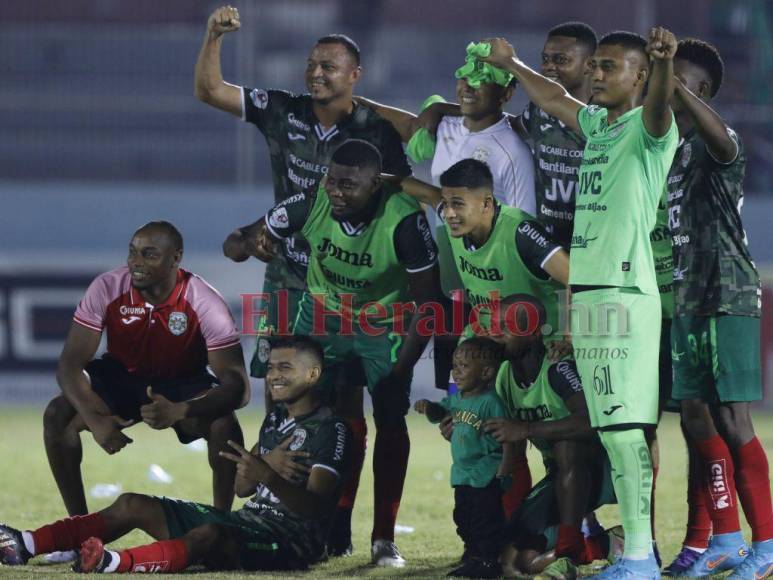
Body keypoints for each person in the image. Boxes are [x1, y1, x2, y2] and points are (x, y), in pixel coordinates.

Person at [195, 9, 411, 553]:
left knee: (347, 407)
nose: (316, 73)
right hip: (286, 284)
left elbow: (399, 196)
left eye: (329, 66)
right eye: (312, 64)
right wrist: (213, 36)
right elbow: (210, 91)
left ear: (355, 75)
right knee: (282, 400)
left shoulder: (376, 131)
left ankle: (368, 533)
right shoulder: (281, 109)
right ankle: (288, 521)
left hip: (347, 292)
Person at [481, 27, 679, 578]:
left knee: (623, 430)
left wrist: (664, 66)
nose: (595, 74)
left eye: (609, 67)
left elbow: (660, 106)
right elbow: (550, 97)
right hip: (589, 297)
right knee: (609, 430)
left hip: (623, 294)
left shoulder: (650, 129)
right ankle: (631, 552)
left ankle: (640, 558)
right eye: (595, 67)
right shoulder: (597, 125)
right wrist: (514, 62)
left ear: (638, 77)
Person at [224, 139, 441, 566]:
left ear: (375, 185)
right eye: (331, 181)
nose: (336, 192)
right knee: (320, 416)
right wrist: (251, 241)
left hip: (386, 323)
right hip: (324, 316)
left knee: (390, 416)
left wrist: (403, 369)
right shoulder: (310, 203)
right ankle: (329, 524)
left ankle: (383, 539)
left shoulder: (404, 221)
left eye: (348, 185)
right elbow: (234, 243)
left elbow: (430, 304)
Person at [0, 336, 351, 573]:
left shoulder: (331, 429)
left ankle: (112, 563)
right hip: (249, 522)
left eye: (284, 369)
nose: (273, 376)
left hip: (292, 543)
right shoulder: (276, 418)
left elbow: (318, 509)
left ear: (313, 374)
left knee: (210, 535)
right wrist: (261, 468)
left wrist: (269, 475)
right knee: (132, 504)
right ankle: (27, 542)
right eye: (272, 367)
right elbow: (245, 489)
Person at [44, 221, 249, 525]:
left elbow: (239, 387)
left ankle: (221, 525)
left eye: (149, 254)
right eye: (133, 252)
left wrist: (183, 409)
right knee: (57, 413)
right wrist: (95, 419)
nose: (136, 263)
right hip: (121, 379)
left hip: (184, 383)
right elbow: (69, 364)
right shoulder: (108, 287)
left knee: (224, 424)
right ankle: (78, 528)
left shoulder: (204, 300)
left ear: (175, 258)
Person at [665, 38, 773, 579]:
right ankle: (727, 538)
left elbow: (728, 148)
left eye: (675, 81)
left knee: (733, 420)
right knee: (695, 418)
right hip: (687, 299)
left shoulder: (717, 141)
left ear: (698, 91)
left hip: (726, 296)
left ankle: (768, 545)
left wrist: (675, 84)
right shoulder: (671, 149)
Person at [482, 294, 618, 579]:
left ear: (532, 332)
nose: (494, 334)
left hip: (599, 472)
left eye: (504, 326)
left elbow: (591, 421)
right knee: (517, 562)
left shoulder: (558, 367)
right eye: (491, 326)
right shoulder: (504, 375)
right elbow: (507, 441)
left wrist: (527, 429)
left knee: (567, 444)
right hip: (559, 480)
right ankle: (608, 544)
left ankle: (568, 551)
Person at [415, 337, 512, 579]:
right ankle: (472, 555)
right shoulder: (457, 399)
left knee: (485, 520)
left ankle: (488, 561)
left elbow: (508, 438)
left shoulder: (491, 403)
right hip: (462, 473)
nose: (456, 372)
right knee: (464, 518)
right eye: (454, 365)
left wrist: (505, 468)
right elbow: (442, 413)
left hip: (485, 472)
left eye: (464, 366)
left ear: (487, 372)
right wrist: (429, 407)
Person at [514, 21, 597, 250]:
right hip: (546, 248)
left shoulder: (605, 117)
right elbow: (506, 125)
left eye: (561, 60)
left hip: (592, 248)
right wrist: (445, 110)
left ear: (590, 65)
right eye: (545, 59)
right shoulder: (538, 110)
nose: (549, 67)